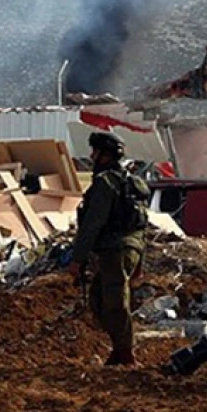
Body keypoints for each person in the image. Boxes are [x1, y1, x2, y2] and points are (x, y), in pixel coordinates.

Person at [70, 132, 151, 366]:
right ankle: (119, 348)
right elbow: (141, 226)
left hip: (116, 251)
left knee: (114, 302)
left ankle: (125, 354)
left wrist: (78, 259)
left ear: (105, 156)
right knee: (98, 298)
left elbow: (92, 224)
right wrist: (139, 261)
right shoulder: (129, 182)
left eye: (95, 152)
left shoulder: (106, 183)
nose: (92, 156)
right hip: (130, 249)